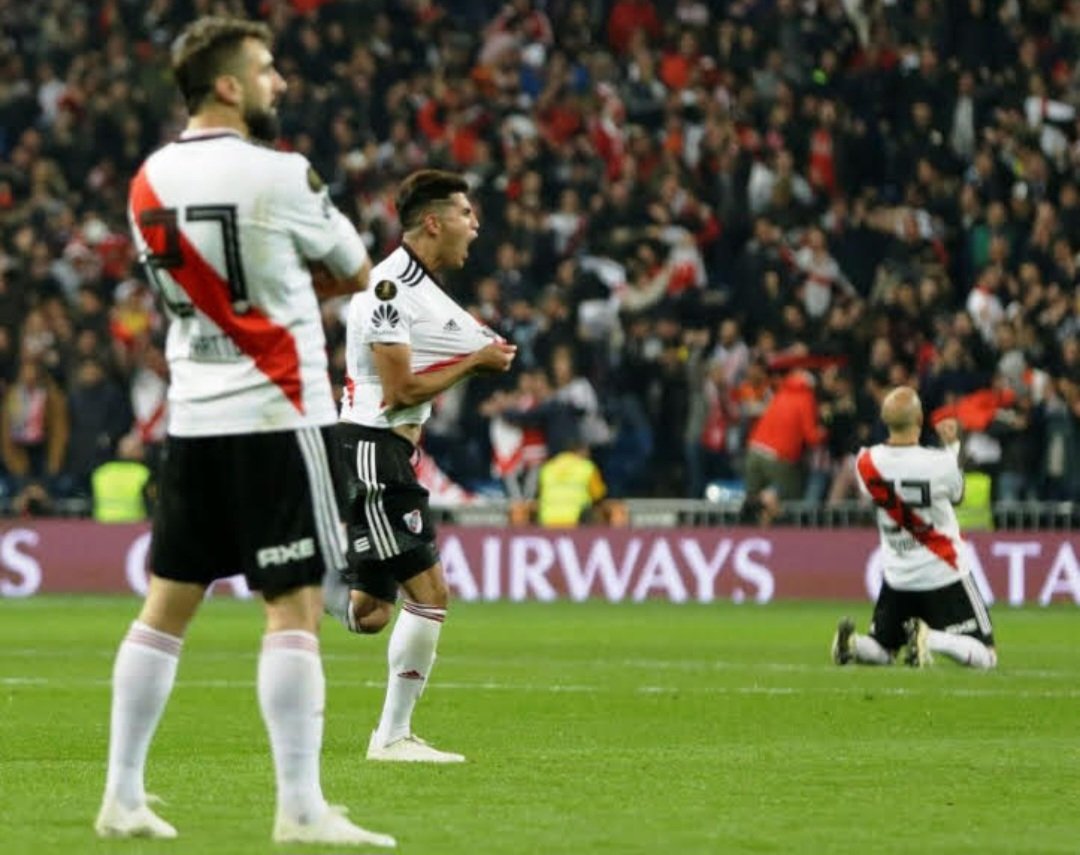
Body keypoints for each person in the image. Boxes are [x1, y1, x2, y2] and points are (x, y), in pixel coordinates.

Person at [95, 17, 396, 848]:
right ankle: (300, 808)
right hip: (276, 409)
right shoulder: (281, 172)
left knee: (164, 606)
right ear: (228, 85)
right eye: (266, 70)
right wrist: (296, 286)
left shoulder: (147, 179)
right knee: (293, 606)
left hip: (195, 412)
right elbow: (355, 264)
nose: (280, 83)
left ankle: (122, 794)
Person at [324, 168, 517, 763]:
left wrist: (482, 352)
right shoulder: (387, 289)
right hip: (372, 447)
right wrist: (474, 361)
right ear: (433, 222)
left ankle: (307, 581)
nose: (475, 226)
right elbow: (399, 389)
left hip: (388, 451)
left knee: (371, 612)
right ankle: (392, 737)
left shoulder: (424, 290)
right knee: (431, 594)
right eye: (466, 214)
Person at [831, 386, 997, 670]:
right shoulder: (940, 463)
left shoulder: (866, 462)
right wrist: (953, 446)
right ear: (920, 418)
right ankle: (930, 639)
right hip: (943, 571)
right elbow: (957, 495)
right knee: (987, 655)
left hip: (898, 576)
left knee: (883, 649)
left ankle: (852, 644)